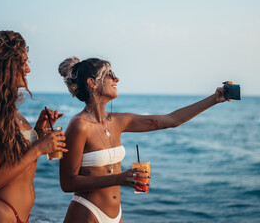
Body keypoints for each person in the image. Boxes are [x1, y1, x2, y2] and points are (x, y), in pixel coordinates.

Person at [58, 56, 230, 223]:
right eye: (109, 74)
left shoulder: (117, 121)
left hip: (115, 215)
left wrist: (214, 99)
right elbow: (67, 183)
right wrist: (118, 179)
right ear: (92, 83)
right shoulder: (79, 126)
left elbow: (171, 120)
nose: (116, 78)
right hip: (87, 212)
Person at [0, 30, 68, 223]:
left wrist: (38, 129)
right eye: (24, 62)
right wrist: (39, 148)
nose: (28, 69)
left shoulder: (10, 111)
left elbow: (16, 156)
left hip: (18, 216)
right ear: (6, 66)